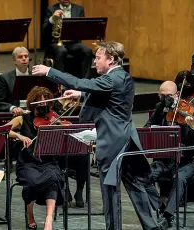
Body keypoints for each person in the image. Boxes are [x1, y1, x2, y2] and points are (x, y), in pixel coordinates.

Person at [32, 41, 162, 229]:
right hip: (126, 137)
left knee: (110, 191)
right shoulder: (122, 76)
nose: (95, 62)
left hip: (112, 141)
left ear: (110, 59)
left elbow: (81, 82)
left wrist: (49, 72)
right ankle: (151, 226)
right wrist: (81, 95)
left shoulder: (111, 79)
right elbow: (109, 97)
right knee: (134, 185)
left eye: (98, 57)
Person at [144, 79, 194, 228]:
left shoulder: (190, 109)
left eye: (169, 96)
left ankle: (167, 216)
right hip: (164, 160)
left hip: (186, 161)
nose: (166, 99)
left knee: (179, 179)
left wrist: (193, 126)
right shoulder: (159, 108)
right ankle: (160, 204)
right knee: (142, 177)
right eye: (162, 96)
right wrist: (160, 110)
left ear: (177, 95)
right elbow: (147, 130)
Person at [4, 86, 65, 230]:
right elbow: (4, 130)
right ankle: (29, 213)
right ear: (32, 103)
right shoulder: (23, 118)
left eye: (46, 104)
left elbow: (65, 132)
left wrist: (58, 126)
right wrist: (19, 135)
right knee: (31, 182)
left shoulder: (53, 118)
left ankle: (48, 219)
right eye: (40, 103)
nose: (43, 107)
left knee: (54, 178)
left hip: (48, 161)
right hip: (28, 162)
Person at [43, 0, 93, 79]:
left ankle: (85, 80)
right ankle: (61, 81)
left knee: (87, 50)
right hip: (56, 43)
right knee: (61, 50)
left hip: (73, 42)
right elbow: (44, 30)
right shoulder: (51, 9)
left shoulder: (79, 9)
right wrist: (52, 19)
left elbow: (82, 28)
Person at [0, 47, 29, 115]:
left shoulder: (36, 75)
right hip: (15, 116)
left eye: (26, 56)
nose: (24, 58)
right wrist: (13, 108)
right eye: (20, 57)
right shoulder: (4, 78)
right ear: (14, 61)